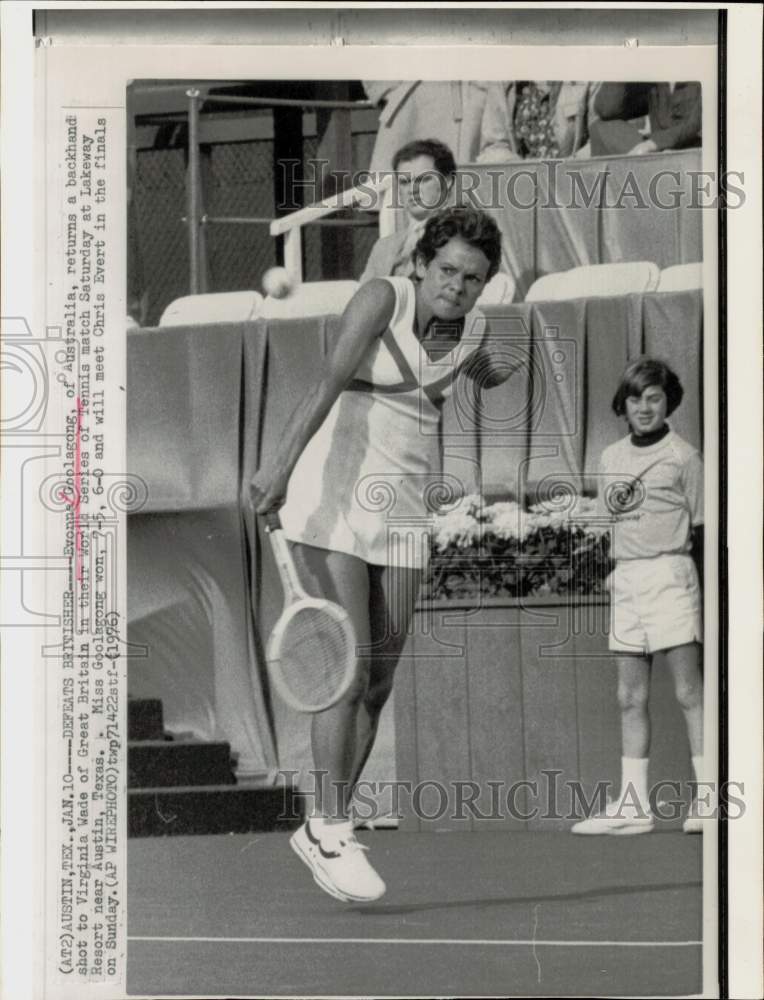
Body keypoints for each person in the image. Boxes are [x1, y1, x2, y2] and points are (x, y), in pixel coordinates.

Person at [251, 207, 518, 901]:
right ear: (421, 264)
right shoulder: (381, 298)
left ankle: (324, 824)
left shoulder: (478, 329)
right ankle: (333, 828)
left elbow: (463, 388)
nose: (458, 287)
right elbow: (325, 386)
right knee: (344, 667)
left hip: (403, 512)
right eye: (449, 270)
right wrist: (277, 469)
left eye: (475, 278)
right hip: (333, 496)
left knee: (377, 680)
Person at [572, 357, 707, 837]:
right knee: (630, 696)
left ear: (669, 401)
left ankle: (708, 799)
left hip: (671, 575)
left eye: (654, 397)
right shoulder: (610, 458)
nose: (645, 407)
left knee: (691, 692)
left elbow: (704, 529)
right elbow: (613, 524)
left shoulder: (684, 457)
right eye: (636, 398)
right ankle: (633, 806)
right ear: (623, 404)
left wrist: (711, 598)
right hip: (627, 580)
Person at [359, 138, 457, 283]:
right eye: (405, 182)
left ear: (447, 181)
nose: (413, 190)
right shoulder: (383, 247)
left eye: (423, 180)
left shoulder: (461, 239)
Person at [477, 81, 593, 162]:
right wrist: (522, 171)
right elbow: (492, 148)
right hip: (523, 185)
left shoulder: (584, 74)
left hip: (570, 183)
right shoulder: (503, 83)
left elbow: (598, 145)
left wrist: (567, 170)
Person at [589, 82, 702, 157]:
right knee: (600, 128)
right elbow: (606, 109)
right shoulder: (655, 76)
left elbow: (696, 123)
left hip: (696, 154)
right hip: (658, 153)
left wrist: (652, 144)